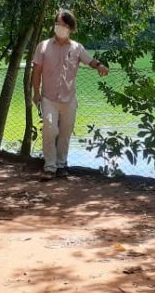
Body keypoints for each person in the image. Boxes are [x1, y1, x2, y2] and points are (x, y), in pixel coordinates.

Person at [31, 10, 109, 181]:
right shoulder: (43, 46)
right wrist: (36, 93)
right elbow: (36, 71)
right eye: (58, 24)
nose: (61, 28)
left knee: (65, 134)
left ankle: (61, 165)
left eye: (65, 25)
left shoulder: (77, 48)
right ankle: (49, 167)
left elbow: (90, 61)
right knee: (50, 130)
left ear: (71, 28)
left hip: (69, 99)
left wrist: (100, 66)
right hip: (48, 98)